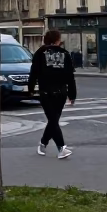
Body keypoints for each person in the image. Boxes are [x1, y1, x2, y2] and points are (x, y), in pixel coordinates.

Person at [28, 29, 76, 159]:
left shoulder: (39, 53)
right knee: (54, 120)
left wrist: (30, 88)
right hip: (61, 92)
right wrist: (72, 94)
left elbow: (34, 72)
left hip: (45, 91)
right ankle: (61, 148)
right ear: (57, 40)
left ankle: (43, 143)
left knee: (52, 120)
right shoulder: (65, 54)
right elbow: (70, 76)